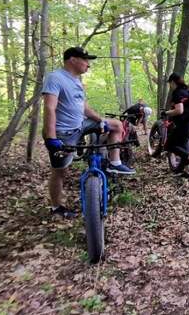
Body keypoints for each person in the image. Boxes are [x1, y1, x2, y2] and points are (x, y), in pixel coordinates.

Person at [42, 47, 135, 219]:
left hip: (81, 124)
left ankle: (115, 163)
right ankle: (56, 207)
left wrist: (100, 120)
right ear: (72, 60)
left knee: (115, 125)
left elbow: (84, 107)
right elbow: (49, 107)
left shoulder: (77, 81)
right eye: (85, 59)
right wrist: (51, 137)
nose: (88, 64)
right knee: (59, 171)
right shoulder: (55, 78)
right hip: (64, 132)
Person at [160, 73, 189, 178]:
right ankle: (187, 171)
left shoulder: (178, 92)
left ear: (173, 82)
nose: (170, 86)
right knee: (183, 147)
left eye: (170, 83)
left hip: (185, 124)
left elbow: (179, 110)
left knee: (169, 146)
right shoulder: (187, 90)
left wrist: (166, 113)